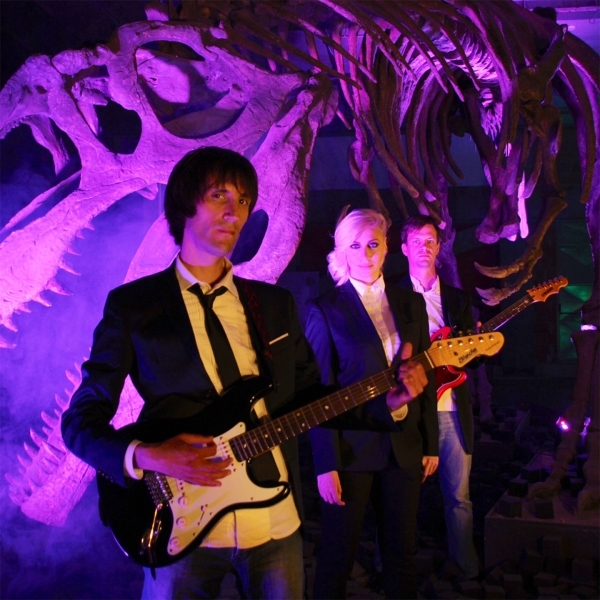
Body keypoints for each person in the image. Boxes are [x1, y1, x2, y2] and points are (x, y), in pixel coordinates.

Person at [61, 146, 326, 600]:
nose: (235, 212)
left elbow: (311, 397)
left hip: (275, 520)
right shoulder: (133, 306)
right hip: (179, 528)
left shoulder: (274, 304)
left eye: (243, 200)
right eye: (220, 195)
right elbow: (79, 423)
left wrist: (391, 400)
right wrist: (148, 456)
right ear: (185, 203)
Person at [305, 208, 439, 599]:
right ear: (342, 252)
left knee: (401, 556)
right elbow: (318, 392)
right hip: (351, 451)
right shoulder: (324, 309)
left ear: (385, 249)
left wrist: (430, 443)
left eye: (373, 244)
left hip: (403, 447)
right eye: (355, 246)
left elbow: (424, 377)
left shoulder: (410, 303)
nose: (365, 254)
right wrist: (325, 464)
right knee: (337, 557)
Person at [399, 214, 480, 579]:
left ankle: (465, 565)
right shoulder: (391, 295)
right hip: (407, 412)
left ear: (439, 247)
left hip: (449, 410)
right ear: (404, 248)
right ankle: (396, 567)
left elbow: (470, 362)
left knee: (459, 497)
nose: (424, 247)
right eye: (417, 241)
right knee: (399, 496)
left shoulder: (458, 300)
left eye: (430, 241)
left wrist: (477, 350)